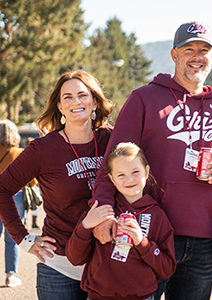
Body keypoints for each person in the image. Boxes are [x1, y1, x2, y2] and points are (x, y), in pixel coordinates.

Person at [91, 21, 212, 300]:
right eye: (189, 49)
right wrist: (104, 213)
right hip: (147, 230)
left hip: (201, 237)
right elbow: (110, 166)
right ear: (174, 55)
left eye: (204, 50)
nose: (197, 56)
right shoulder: (144, 99)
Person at [0, 70, 112, 299]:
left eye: (82, 95)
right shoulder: (43, 149)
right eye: (67, 97)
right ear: (60, 107)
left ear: (94, 102)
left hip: (107, 262)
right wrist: (23, 239)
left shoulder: (112, 140)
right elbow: (2, 189)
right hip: (58, 266)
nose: (76, 102)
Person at [66, 142, 176, 300]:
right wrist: (85, 226)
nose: (129, 179)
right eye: (121, 175)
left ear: (146, 171)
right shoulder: (100, 211)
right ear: (111, 178)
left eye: (135, 172)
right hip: (98, 296)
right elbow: (75, 258)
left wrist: (142, 242)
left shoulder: (158, 215)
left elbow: (167, 268)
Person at [0, 120, 38, 287]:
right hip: (14, 197)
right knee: (12, 237)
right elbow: (32, 182)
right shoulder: (19, 153)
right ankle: (10, 276)